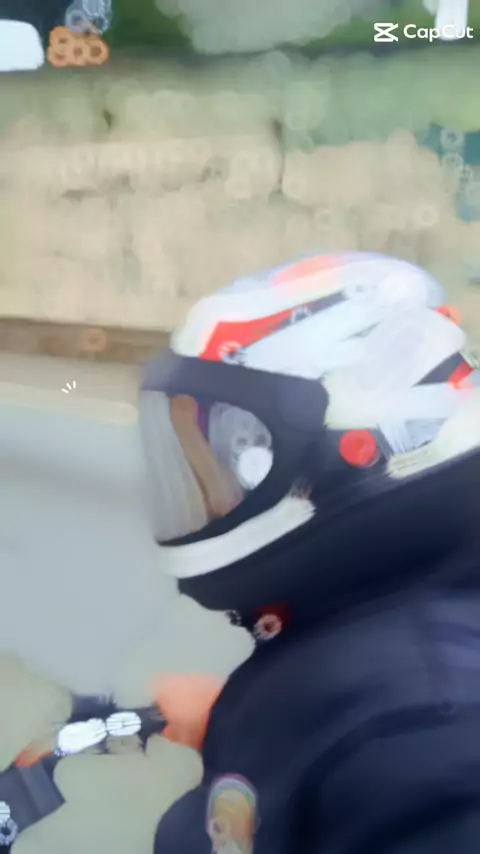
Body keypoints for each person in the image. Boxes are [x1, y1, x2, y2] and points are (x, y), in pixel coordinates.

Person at [139, 250, 480, 854]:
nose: (202, 494)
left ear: (362, 450)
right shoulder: (364, 632)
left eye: (222, 463)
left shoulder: (422, 738)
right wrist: (258, 724)